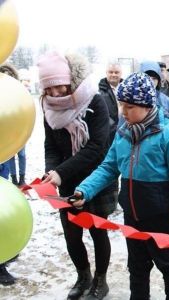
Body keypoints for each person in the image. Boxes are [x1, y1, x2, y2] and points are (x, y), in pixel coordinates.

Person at [71, 72, 169, 300]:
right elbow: (108, 167)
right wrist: (84, 190)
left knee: (168, 265)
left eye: (129, 107)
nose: (123, 112)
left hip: (161, 218)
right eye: (121, 105)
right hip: (133, 218)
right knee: (137, 268)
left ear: (147, 105)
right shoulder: (124, 133)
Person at [37, 51, 118, 300]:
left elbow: (96, 147)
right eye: (49, 89)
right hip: (67, 182)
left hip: (97, 180)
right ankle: (83, 276)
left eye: (59, 86)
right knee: (72, 235)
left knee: (97, 232)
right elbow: (51, 145)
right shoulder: (49, 109)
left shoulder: (95, 102)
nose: (55, 94)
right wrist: (52, 171)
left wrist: (60, 172)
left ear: (70, 80)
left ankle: (101, 281)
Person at [0, 63, 27, 187]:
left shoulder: (18, 93)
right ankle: (13, 178)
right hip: (4, 130)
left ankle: (22, 177)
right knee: (8, 155)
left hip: (18, 128)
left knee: (21, 154)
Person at [98, 60, 123, 141]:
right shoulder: (99, 92)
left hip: (126, 133)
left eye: (116, 72)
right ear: (106, 73)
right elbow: (101, 114)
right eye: (111, 72)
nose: (113, 75)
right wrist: (115, 129)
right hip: (108, 135)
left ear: (121, 73)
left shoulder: (128, 89)